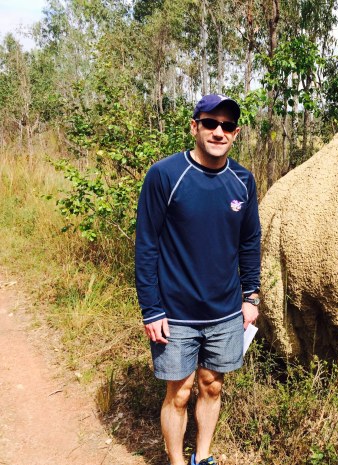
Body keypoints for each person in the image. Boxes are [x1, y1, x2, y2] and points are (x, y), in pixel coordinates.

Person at [135, 94, 261, 465]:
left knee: (212, 385)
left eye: (227, 126)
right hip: (175, 313)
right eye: (210, 123)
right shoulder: (166, 175)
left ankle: (202, 457)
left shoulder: (242, 181)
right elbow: (147, 245)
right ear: (195, 126)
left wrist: (250, 296)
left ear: (235, 133)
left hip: (225, 311)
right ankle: (176, 461)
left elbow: (250, 241)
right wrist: (151, 309)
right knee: (179, 391)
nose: (218, 131)